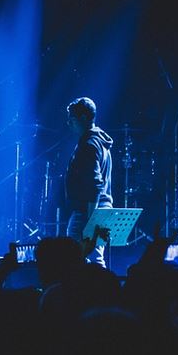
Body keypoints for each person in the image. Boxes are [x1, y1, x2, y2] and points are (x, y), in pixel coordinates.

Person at [64, 97, 114, 268]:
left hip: (87, 212)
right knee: (95, 260)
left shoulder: (89, 145)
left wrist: (90, 224)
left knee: (76, 260)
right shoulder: (101, 142)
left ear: (84, 118)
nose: (68, 123)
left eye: (72, 119)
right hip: (102, 210)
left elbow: (94, 186)